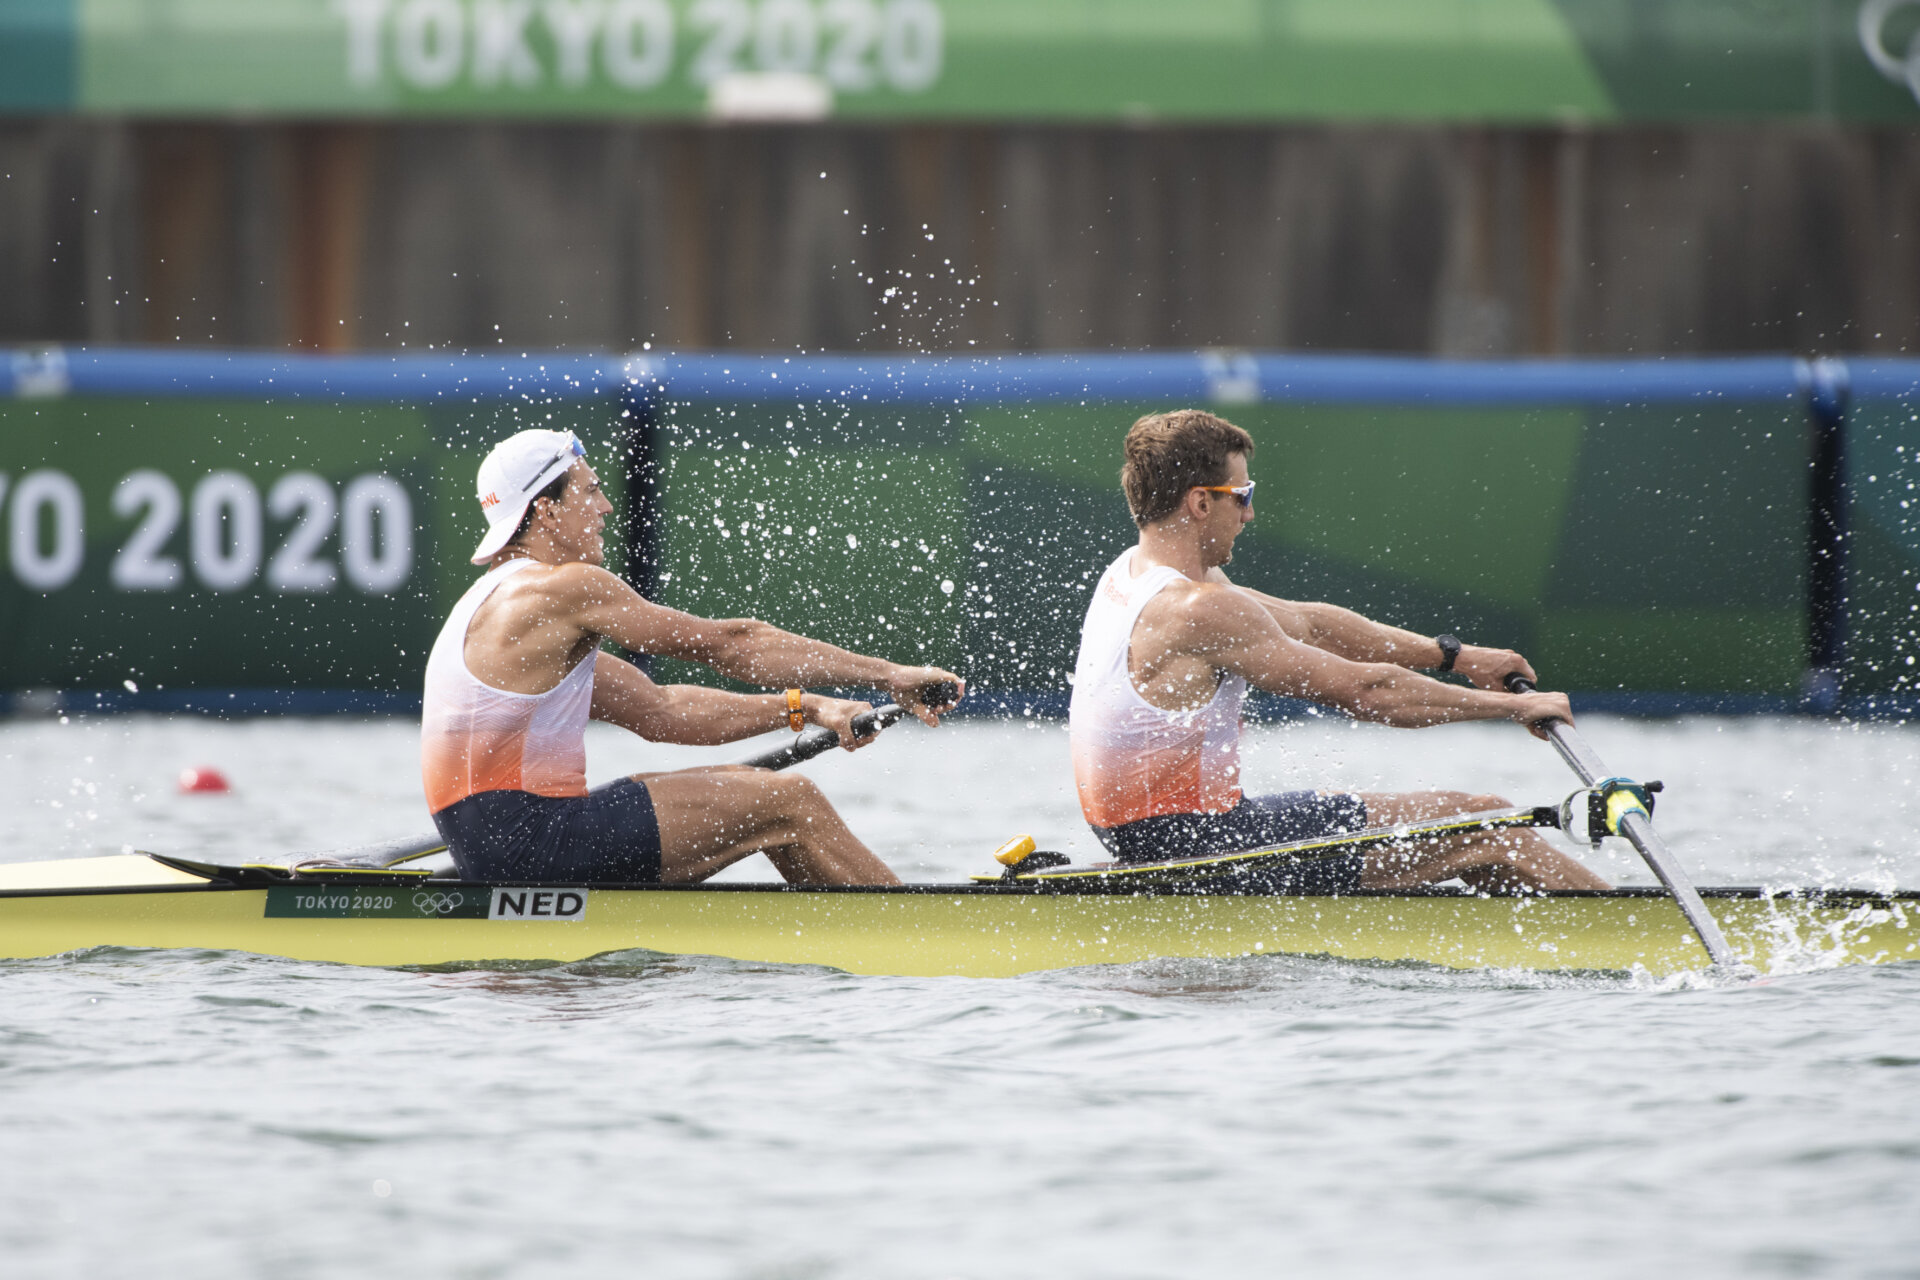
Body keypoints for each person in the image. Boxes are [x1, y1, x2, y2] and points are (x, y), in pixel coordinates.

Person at [1068, 409, 1610, 894]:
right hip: (1199, 850)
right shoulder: (1196, 609)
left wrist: (1458, 656)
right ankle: (1638, 947)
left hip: (1177, 832)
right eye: (1244, 496)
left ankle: (1531, 952)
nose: (1250, 515)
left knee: (1480, 818)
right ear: (1200, 502)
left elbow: (1311, 624)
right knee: (1489, 831)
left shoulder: (1134, 575)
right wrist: (1516, 708)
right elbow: (1367, 693)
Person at [421, 428, 963, 886]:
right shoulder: (561, 589)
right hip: (534, 841)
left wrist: (811, 707)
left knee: (743, 788)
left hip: (496, 844)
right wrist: (891, 674)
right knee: (790, 800)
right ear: (546, 510)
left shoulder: (494, 606)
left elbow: (661, 711)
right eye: (589, 492)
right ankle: (929, 940)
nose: (606, 507)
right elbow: (733, 645)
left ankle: (849, 939)